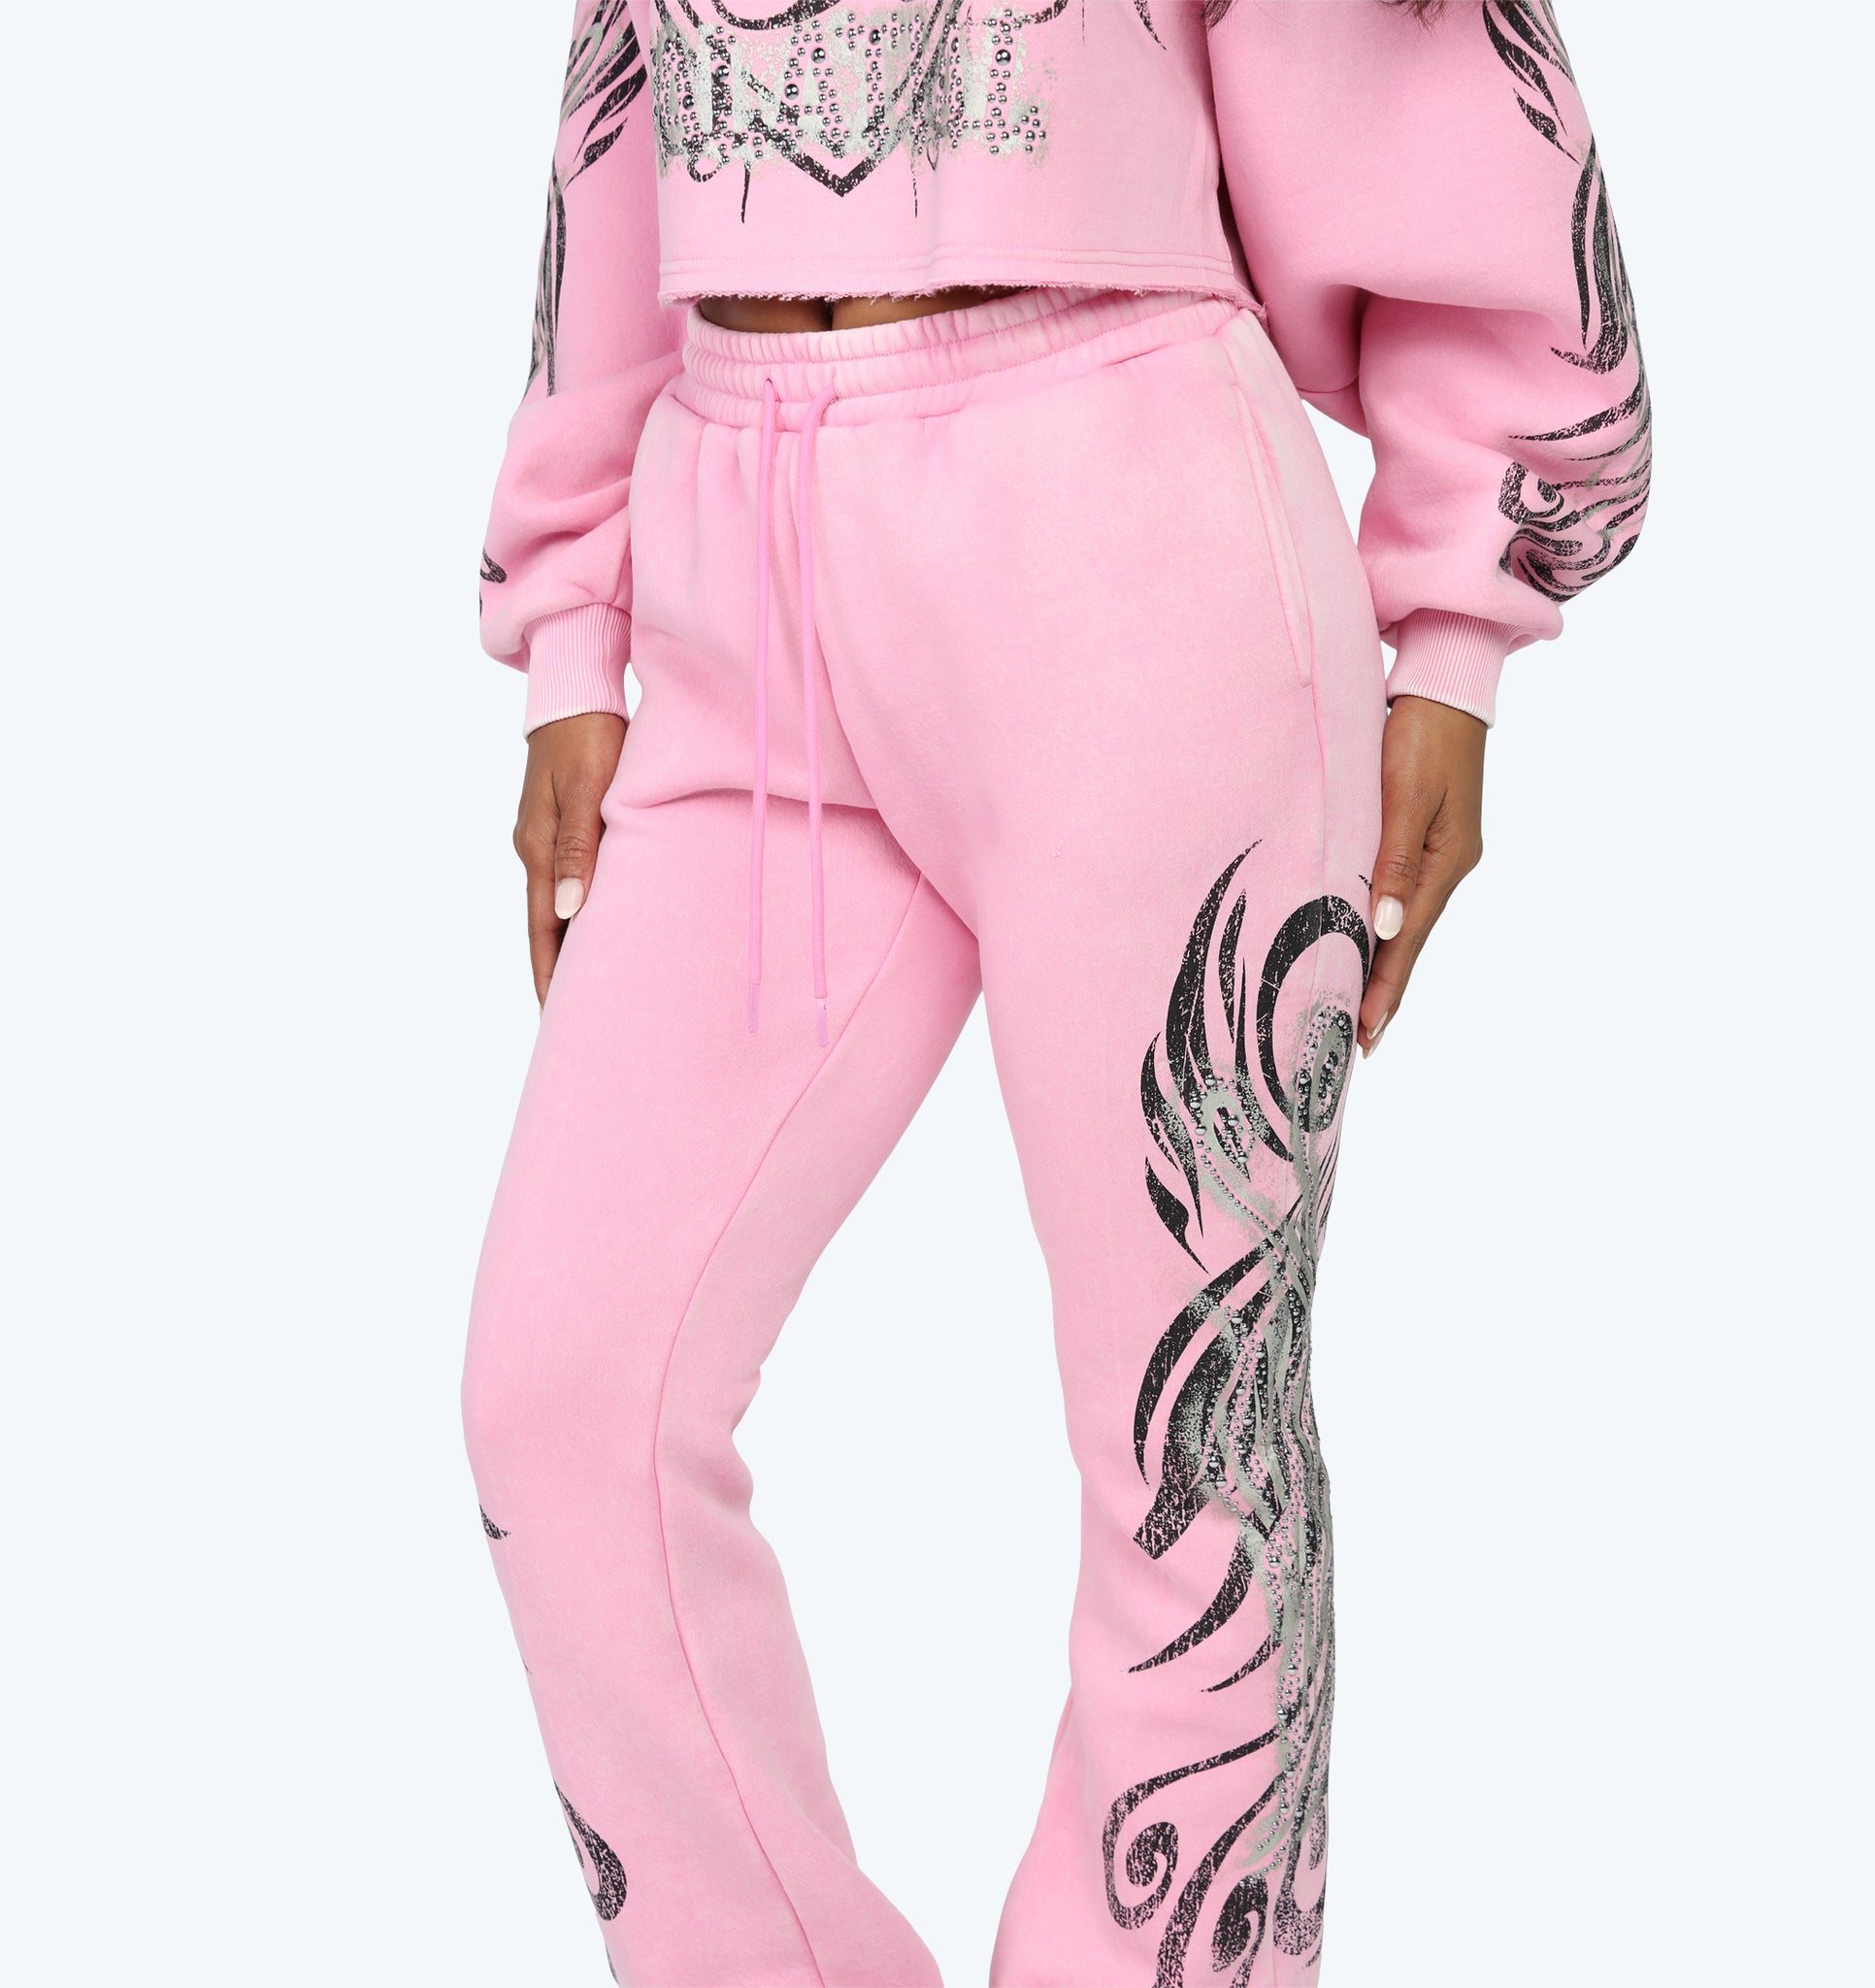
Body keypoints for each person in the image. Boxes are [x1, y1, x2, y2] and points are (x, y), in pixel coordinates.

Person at [463, 3, 1649, 1981]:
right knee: (561, 1394)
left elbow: (1408, 76)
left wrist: (1456, 627)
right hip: (732, 564)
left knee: (1189, 1442)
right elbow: (626, 87)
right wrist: (572, 627)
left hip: (1129, 529)